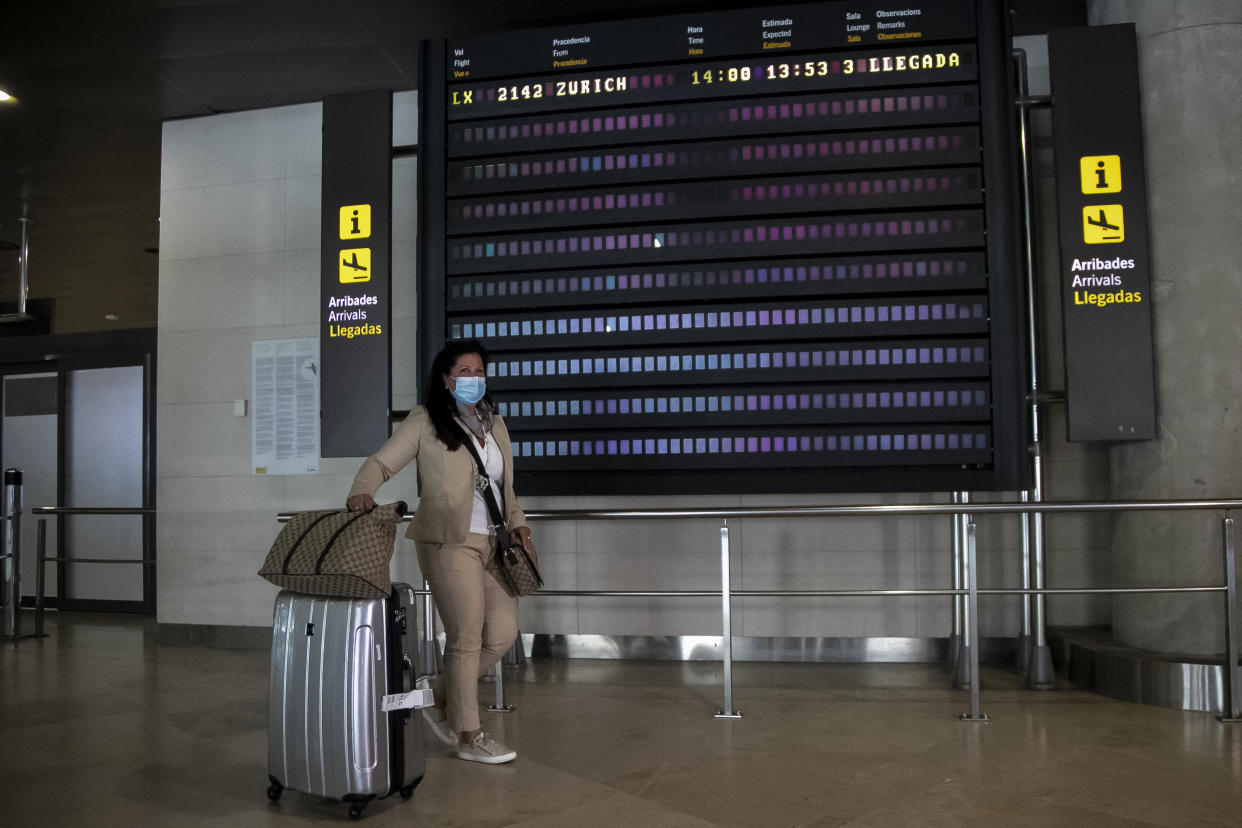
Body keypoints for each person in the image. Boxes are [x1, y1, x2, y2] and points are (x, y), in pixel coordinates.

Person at [346, 339, 530, 764]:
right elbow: (380, 463)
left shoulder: (494, 423)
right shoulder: (426, 421)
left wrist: (519, 523)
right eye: (465, 372)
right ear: (446, 380)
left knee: (501, 635)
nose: (474, 379)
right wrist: (362, 492)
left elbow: (507, 490)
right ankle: (469, 734)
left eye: (479, 371)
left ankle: (440, 695)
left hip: (494, 543)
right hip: (449, 542)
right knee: (466, 638)